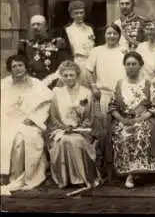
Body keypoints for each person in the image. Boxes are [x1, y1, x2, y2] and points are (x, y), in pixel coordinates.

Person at [107, 51, 155, 188]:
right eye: (128, 64)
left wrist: (140, 119)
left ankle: (135, 173)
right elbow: (112, 106)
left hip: (143, 119)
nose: (131, 67)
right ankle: (126, 171)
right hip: (123, 119)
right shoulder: (119, 84)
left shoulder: (148, 84)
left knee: (140, 134)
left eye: (134, 64)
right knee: (122, 135)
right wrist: (122, 119)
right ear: (124, 66)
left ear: (140, 65)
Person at [1, 55, 52, 196]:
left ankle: (19, 177)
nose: (18, 69)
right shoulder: (4, 84)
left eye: (20, 65)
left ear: (26, 66)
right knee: (5, 137)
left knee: (20, 139)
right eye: (14, 67)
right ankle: (5, 176)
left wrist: (34, 119)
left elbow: (46, 104)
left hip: (29, 122)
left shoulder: (36, 84)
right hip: (7, 121)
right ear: (10, 70)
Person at [47, 61, 100, 190]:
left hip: (81, 130)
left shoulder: (86, 93)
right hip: (61, 129)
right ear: (61, 76)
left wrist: (78, 128)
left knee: (76, 141)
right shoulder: (56, 92)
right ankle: (65, 179)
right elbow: (53, 117)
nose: (69, 78)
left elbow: (89, 117)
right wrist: (64, 128)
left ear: (77, 75)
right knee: (63, 141)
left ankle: (81, 177)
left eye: (71, 75)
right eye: (65, 75)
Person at [86, 24, 127, 137]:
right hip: (104, 94)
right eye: (109, 33)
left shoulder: (124, 51)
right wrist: (93, 87)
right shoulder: (97, 51)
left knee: (120, 127)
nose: (112, 36)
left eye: (115, 33)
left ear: (119, 36)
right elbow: (88, 71)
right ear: (104, 35)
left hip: (121, 94)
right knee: (104, 127)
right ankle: (104, 153)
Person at [17, 14, 71, 83]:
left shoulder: (57, 43)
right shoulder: (25, 45)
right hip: (32, 83)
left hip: (52, 82)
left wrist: (54, 79)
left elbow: (66, 64)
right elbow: (20, 66)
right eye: (33, 25)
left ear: (46, 27)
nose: (35, 27)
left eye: (38, 24)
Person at [60, 0, 95, 85]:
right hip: (76, 62)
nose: (79, 15)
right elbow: (65, 50)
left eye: (81, 12)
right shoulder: (67, 30)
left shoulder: (91, 28)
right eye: (76, 13)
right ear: (71, 15)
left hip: (92, 62)